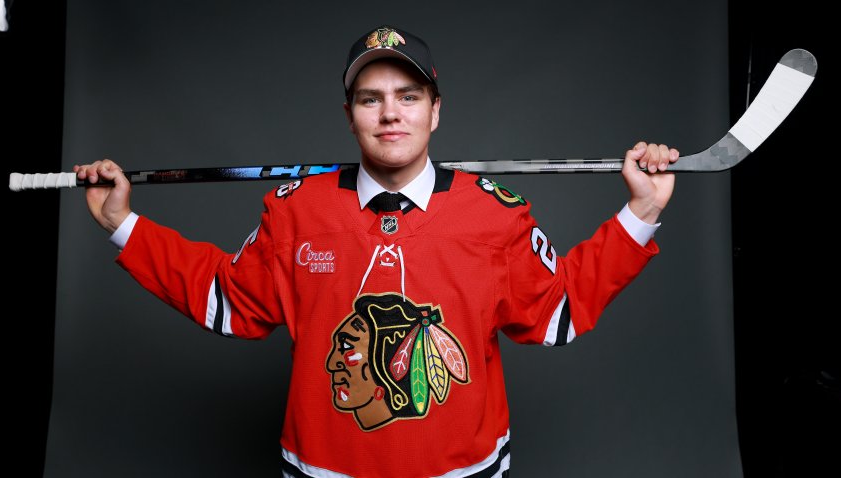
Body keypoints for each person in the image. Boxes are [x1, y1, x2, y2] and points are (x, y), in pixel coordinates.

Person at [74, 25, 678, 478]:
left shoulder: (495, 213)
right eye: (371, 98)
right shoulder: (296, 210)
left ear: (435, 110)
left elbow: (559, 309)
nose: (391, 112)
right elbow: (228, 300)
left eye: (408, 95)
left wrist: (642, 210)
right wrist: (122, 222)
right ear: (350, 114)